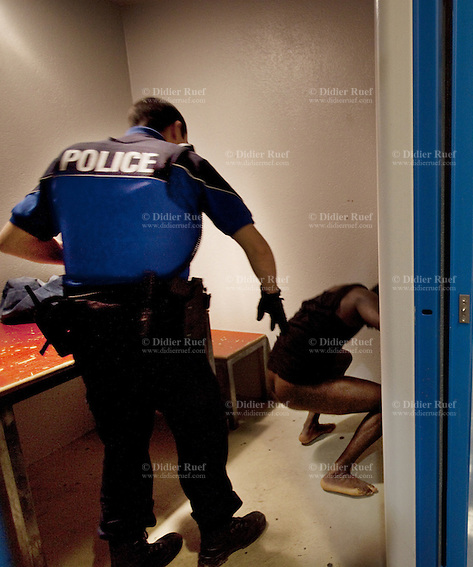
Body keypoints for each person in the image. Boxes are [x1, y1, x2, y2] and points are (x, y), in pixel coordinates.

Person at [0, 97, 286, 567]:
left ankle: (127, 548)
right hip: (163, 321)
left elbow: (14, 238)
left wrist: (76, 261)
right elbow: (251, 239)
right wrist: (271, 293)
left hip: (90, 324)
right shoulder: (183, 160)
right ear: (175, 129)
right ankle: (217, 530)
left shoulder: (69, 160)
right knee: (198, 425)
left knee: (122, 437)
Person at [266, 283, 381, 497]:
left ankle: (310, 428)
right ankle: (339, 473)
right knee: (387, 401)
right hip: (291, 386)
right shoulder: (363, 299)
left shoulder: (344, 293)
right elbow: (400, 332)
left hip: (273, 374)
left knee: (342, 357)